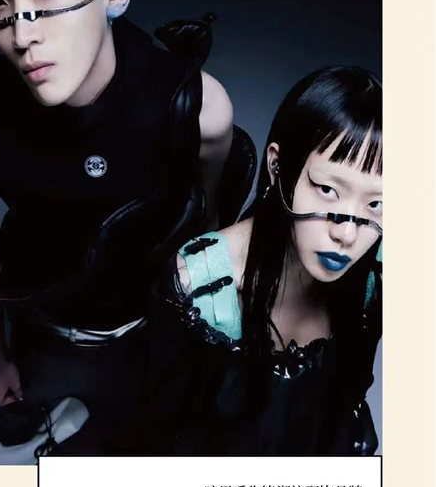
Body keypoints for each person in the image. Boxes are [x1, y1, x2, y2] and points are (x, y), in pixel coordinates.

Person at [0, 0, 234, 456]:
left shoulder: (199, 109)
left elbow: (209, 223)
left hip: (146, 329)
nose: (21, 34)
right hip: (37, 325)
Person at [147, 65, 382, 456]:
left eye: (376, 203)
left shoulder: (376, 272)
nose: (346, 234)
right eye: (327, 189)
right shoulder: (197, 290)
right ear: (277, 166)